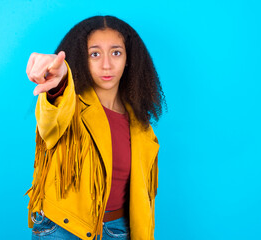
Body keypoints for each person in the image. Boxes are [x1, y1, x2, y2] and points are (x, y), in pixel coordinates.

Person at [25, 15, 165, 240]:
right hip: (63, 230)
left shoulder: (139, 122)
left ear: (129, 58)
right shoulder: (68, 102)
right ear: (82, 58)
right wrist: (60, 81)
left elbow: (142, 197)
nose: (107, 64)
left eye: (116, 52)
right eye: (95, 54)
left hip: (119, 229)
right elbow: (50, 121)